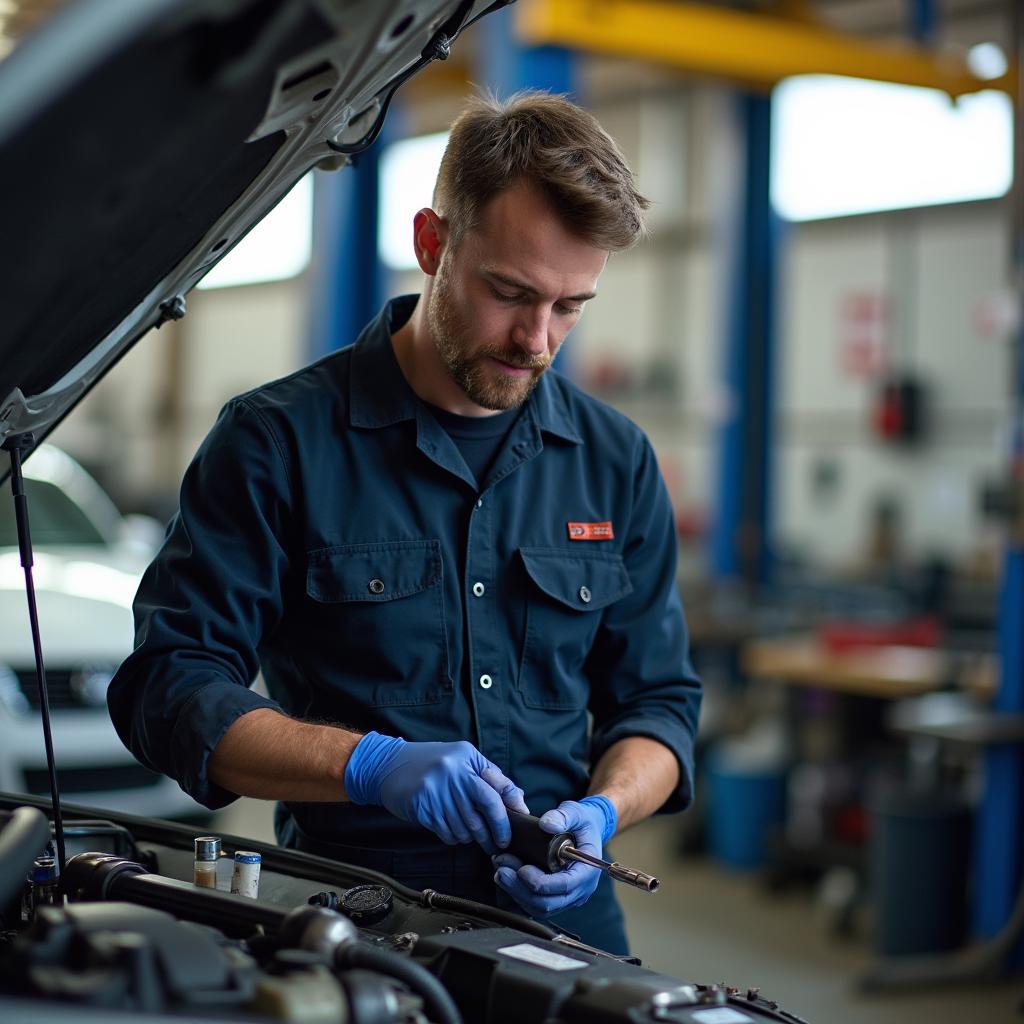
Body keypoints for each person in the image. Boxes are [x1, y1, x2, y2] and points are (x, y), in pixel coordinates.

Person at [107, 91, 701, 955]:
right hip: (352, 927)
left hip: (567, 934)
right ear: (431, 244)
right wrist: (367, 766)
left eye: (572, 306)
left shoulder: (614, 460)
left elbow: (660, 705)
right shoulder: (278, 442)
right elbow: (168, 687)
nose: (537, 338)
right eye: (510, 292)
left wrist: (605, 810)